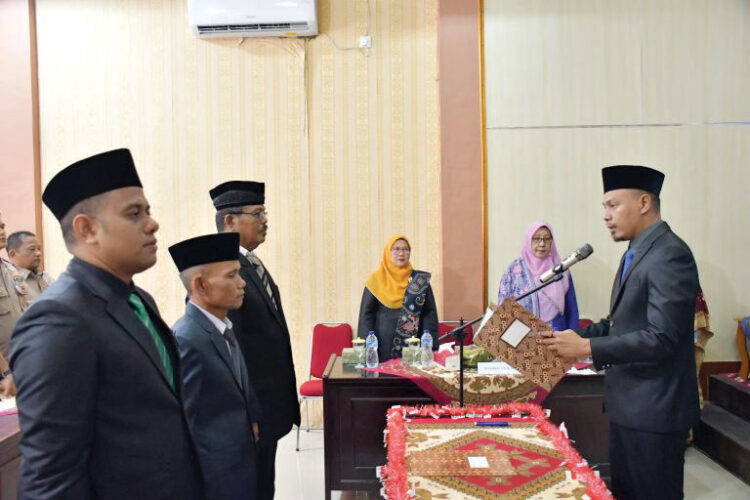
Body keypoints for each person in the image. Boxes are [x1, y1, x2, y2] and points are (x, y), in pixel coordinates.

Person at [10, 149, 203, 500]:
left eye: (148, 211)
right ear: (87, 229)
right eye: (134, 213)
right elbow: (50, 478)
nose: (152, 223)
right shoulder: (58, 320)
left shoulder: (138, 299)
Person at [541, 165, 699, 500]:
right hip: (628, 405)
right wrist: (566, 337)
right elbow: (621, 324)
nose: (606, 216)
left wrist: (586, 347)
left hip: (655, 411)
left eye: (613, 205)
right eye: (604, 208)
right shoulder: (638, 252)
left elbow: (663, 337)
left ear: (644, 203)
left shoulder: (670, 254)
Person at [211, 180, 299, 500]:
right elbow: (232, 350)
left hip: (267, 406)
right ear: (230, 221)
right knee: (251, 488)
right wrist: (247, 411)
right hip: (252, 411)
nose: (265, 220)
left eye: (264, 212)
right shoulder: (224, 272)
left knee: (264, 485)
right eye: (257, 212)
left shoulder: (250, 263)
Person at [170, 233, 262, 500]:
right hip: (216, 476)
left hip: (238, 462)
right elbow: (188, 425)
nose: (242, 283)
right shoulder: (187, 339)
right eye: (232, 275)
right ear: (201, 285)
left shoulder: (221, 329)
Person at [357, 235, 438, 361]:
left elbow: (429, 313)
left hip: (413, 348)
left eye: (406, 249)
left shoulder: (419, 280)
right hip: (381, 348)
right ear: (388, 252)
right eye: (396, 249)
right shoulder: (376, 280)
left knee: (411, 380)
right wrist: (366, 349)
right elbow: (366, 315)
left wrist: (430, 347)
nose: (401, 253)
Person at [497, 221, 579, 330]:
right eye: (536, 239)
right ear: (528, 240)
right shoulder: (514, 270)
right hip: (522, 337)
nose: (542, 244)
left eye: (547, 239)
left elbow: (572, 309)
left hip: (556, 335)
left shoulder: (561, 270)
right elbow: (503, 307)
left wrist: (573, 337)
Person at [0, 214, 20, 396]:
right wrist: (5, 371)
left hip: (17, 367)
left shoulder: (11, 270)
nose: (2, 232)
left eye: (3, 226)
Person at [6, 230, 54, 301]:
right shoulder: (6, 280)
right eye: (32, 249)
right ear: (13, 254)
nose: (38, 253)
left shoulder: (45, 277)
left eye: (39, 249)